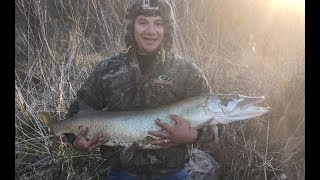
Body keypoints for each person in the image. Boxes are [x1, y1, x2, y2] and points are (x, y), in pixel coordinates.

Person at [66, 0, 211, 179]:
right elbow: (76, 112)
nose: (151, 31)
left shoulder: (187, 71)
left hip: (172, 173)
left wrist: (192, 135)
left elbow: (216, 122)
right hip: (121, 173)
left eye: (158, 23)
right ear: (132, 26)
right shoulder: (106, 69)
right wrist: (75, 140)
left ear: (167, 29)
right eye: (143, 22)